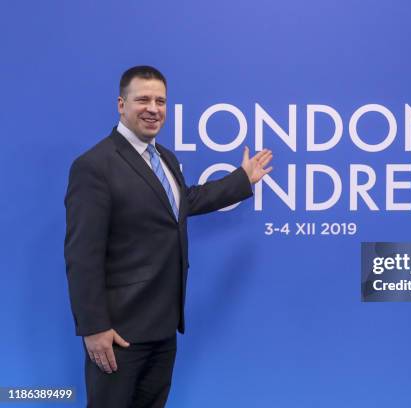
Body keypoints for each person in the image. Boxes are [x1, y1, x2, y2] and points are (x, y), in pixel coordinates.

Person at [64, 65, 273, 407]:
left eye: (160, 101)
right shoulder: (94, 166)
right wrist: (94, 327)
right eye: (143, 99)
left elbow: (182, 203)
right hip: (118, 333)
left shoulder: (166, 158)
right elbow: (81, 255)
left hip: (163, 328)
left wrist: (241, 180)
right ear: (121, 104)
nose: (153, 108)